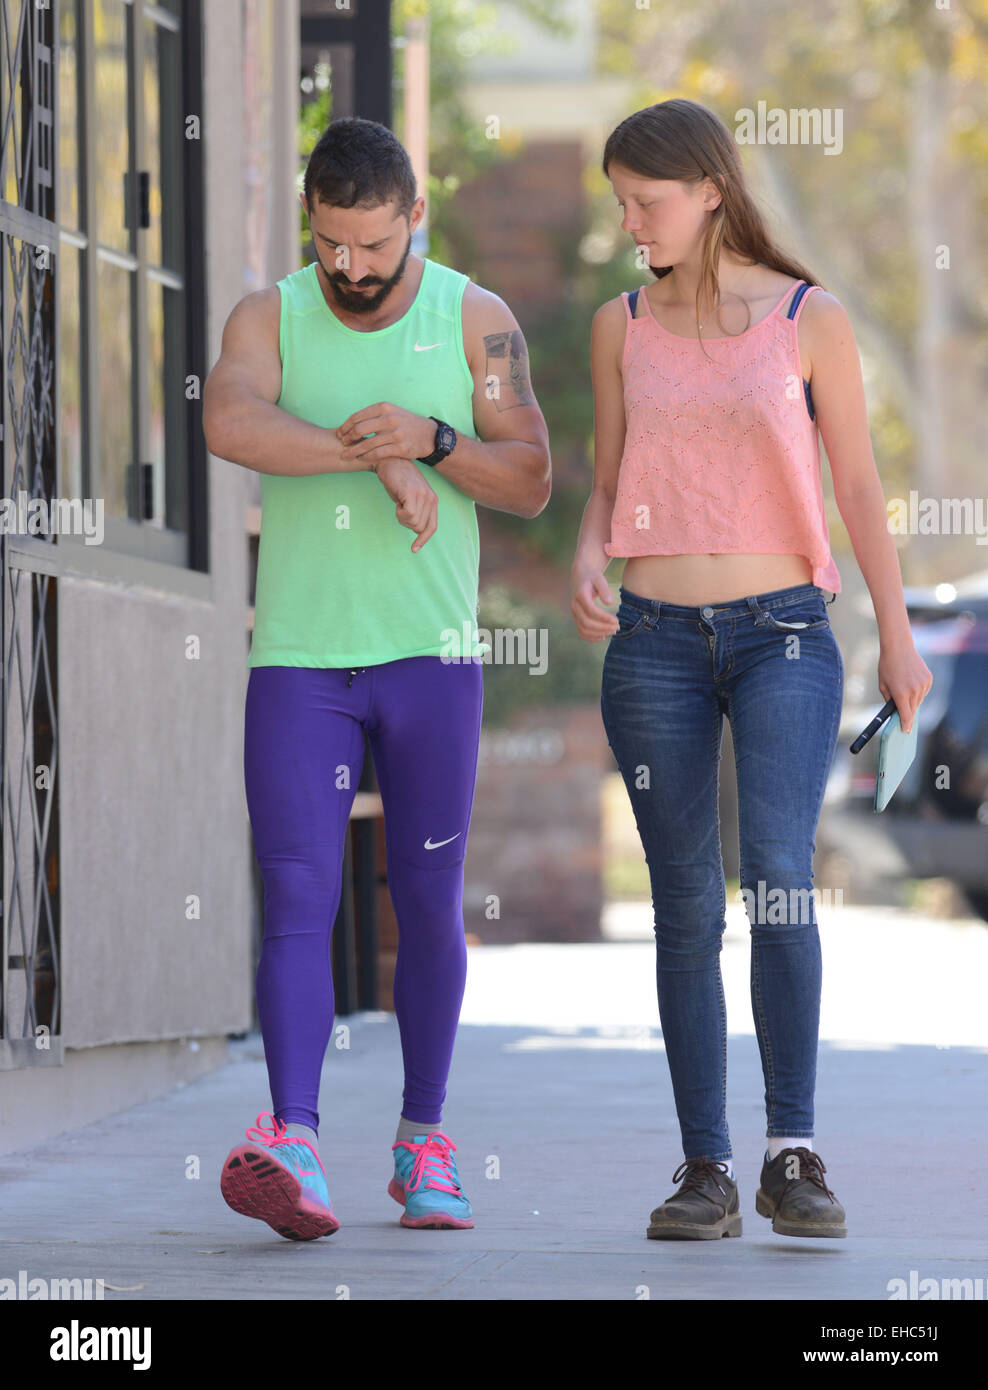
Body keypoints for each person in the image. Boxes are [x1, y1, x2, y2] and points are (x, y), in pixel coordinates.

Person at [570, 98, 933, 1241]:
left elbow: (860, 489)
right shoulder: (617, 322)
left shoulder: (806, 317)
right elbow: (606, 475)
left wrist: (897, 632)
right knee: (684, 904)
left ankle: (793, 1153)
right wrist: (590, 551)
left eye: (648, 200)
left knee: (777, 873)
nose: (631, 221)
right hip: (654, 643)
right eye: (620, 202)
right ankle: (704, 1171)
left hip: (785, 630)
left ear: (711, 189)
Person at [203, 117, 550, 1240]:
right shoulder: (269, 312)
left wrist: (435, 443)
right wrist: (379, 455)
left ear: (414, 220)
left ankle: (424, 1142)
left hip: (432, 662)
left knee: (428, 901)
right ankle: (292, 1142)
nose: (347, 269)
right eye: (328, 244)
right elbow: (231, 419)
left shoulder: (474, 319)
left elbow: (532, 478)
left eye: (370, 245)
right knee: (298, 896)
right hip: (300, 657)